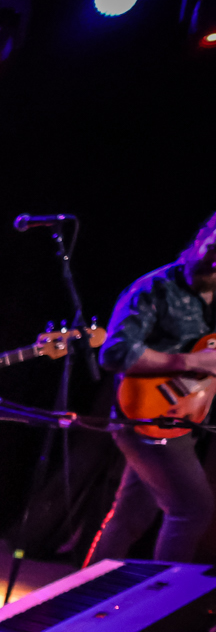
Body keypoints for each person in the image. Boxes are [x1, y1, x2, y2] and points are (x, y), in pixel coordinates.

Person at [86, 212, 216, 563]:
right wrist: (188, 362)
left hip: (182, 419)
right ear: (201, 236)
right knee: (192, 510)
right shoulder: (154, 288)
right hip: (144, 416)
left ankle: (86, 587)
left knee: (130, 516)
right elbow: (114, 352)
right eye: (214, 246)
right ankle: (161, 597)